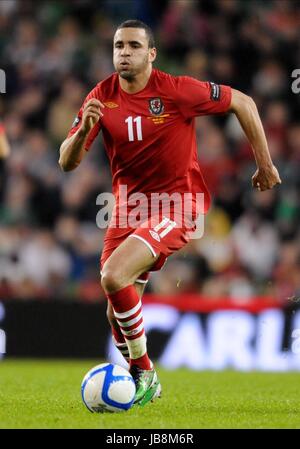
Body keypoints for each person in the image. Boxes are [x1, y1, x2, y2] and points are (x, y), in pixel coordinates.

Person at [59, 20, 281, 406]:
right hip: (128, 208)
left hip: (178, 204)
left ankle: (144, 373)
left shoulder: (177, 90)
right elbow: (67, 163)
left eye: (133, 45)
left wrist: (264, 165)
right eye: (118, 46)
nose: (124, 53)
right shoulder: (101, 95)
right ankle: (139, 384)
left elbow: (244, 102)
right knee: (116, 313)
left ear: (151, 53)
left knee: (113, 276)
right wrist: (82, 133)